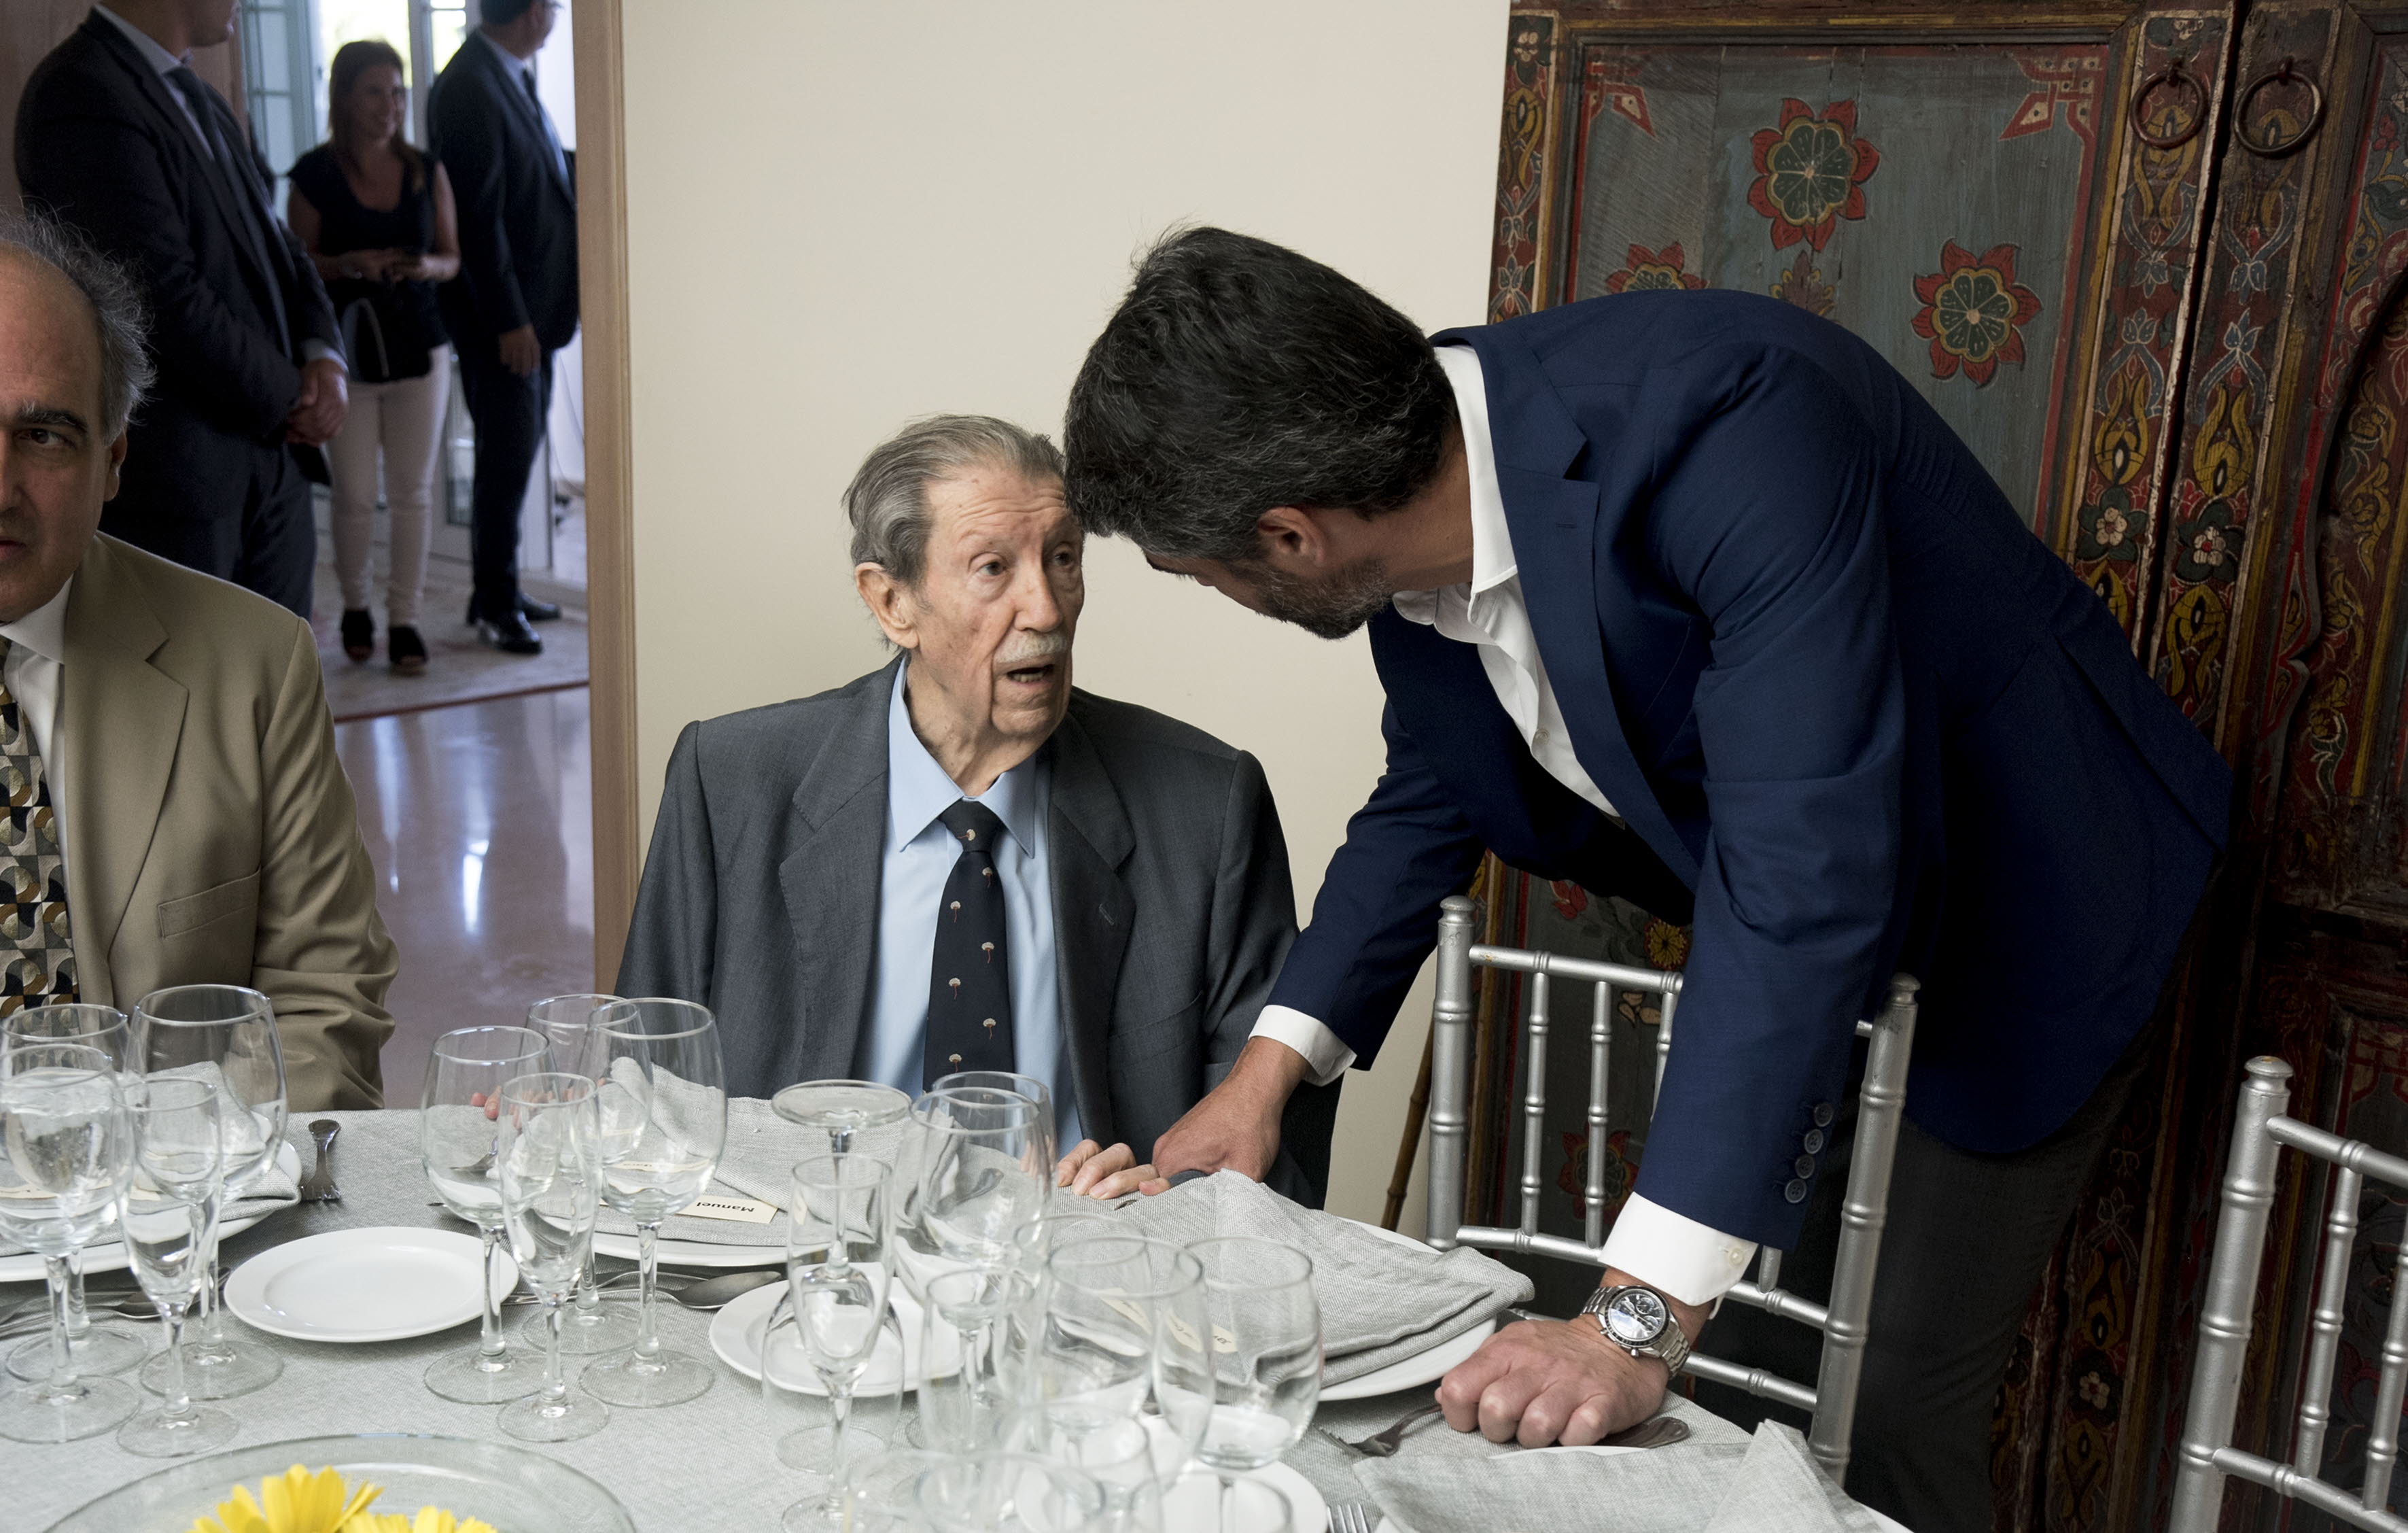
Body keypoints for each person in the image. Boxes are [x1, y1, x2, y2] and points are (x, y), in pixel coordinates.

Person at [1061, 228, 2231, 1532]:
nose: (1220, 596)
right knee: (1747, 1374)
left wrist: (1631, 1319)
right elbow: (1427, 796)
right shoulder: (1402, 504)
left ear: (1290, 536)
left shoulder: (1731, 422)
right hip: (1808, 928)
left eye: (1204, 575)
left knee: (1883, 1409)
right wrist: (1261, 1079)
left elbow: (1800, 872)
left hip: (2030, 898)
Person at [616, 415, 1339, 1205]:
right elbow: (642, 1098)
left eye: (1063, 558)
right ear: (892, 602)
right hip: (808, 1252)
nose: (1046, 609)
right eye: (994, 567)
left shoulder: (1205, 806)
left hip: (1087, 1256)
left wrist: (1166, 1199)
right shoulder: (730, 782)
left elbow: (1270, 1158)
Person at [0, 211, 397, 1109]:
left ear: (113, 459)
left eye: (45, 434)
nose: (1, 488)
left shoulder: (255, 665)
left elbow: (325, 1002)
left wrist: (184, 1176)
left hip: (180, 1187)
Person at [14, 0, 347, 621]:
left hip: (270, 460)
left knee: (277, 676)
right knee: (190, 679)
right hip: (183, 481)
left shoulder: (203, 96)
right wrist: (292, 396)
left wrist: (324, 355)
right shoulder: (81, 91)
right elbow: (158, 299)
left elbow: (280, 247)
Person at [288, 40, 461, 676]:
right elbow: (295, 265)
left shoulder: (424, 169)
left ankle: (404, 618)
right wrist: (348, 264)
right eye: (374, 92)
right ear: (343, 97)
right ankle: (357, 606)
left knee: (413, 492)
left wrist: (424, 267)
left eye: (397, 92)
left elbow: (451, 256)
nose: (390, 105)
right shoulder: (314, 174)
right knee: (357, 494)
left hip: (420, 347)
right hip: (347, 353)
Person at [429, 0, 576, 657]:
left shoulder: (506, 74)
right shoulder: (470, 85)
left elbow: (533, 177)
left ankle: (499, 588)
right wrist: (510, 319)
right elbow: (479, 219)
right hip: (505, 325)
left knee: (514, 458)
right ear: (533, 11)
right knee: (505, 462)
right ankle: (495, 601)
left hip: (535, 316)